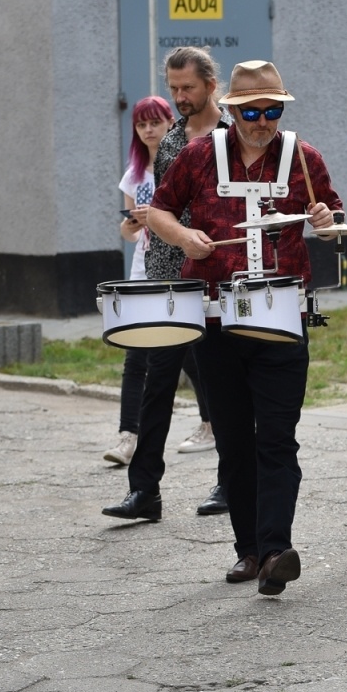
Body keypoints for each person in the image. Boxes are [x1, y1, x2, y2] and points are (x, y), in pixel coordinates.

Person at [142, 61, 340, 594]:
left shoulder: (304, 158)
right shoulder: (199, 155)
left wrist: (326, 222)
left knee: (277, 437)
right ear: (232, 110)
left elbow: (332, 219)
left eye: (272, 111)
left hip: (283, 317)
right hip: (214, 319)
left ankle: (276, 551)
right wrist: (183, 237)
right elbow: (158, 211)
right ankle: (248, 550)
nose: (262, 122)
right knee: (233, 439)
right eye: (252, 113)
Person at [108, 47, 230, 520]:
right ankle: (145, 492)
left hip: (217, 276)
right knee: (157, 383)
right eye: (173, 88)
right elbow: (165, 207)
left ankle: (230, 483)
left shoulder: (232, 134)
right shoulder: (173, 138)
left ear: (211, 86)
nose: (179, 96)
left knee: (221, 385)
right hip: (168, 278)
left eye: (188, 88)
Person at [105, 95, 175, 467]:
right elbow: (129, 234)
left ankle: (210, 424)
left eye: (155, 122)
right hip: (142, 270)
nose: (148, 130)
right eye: (141, 124)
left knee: (189, 355)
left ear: (169, 123)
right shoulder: (134, 174)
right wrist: (131, 224)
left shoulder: (180, 163)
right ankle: (127, 436)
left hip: (177, 270)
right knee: (136, 355)